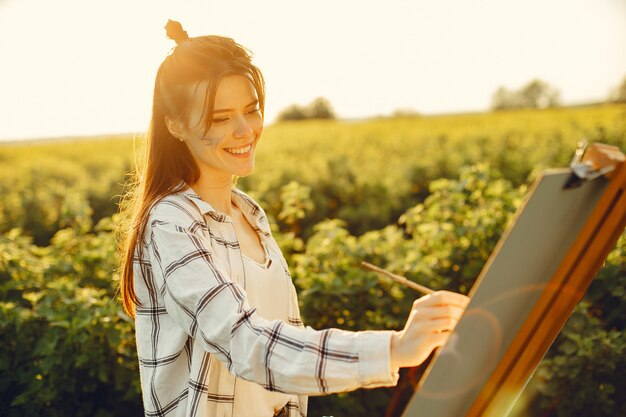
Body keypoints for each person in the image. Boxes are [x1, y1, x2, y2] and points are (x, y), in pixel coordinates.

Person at [117, 19, 470, 417]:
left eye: (251, 110)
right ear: (176, 125)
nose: (244, 130)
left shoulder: (249, 213)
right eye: (220, 118)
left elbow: (279, 357)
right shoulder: (171, 224)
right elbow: (244, 342)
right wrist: (394, 348)